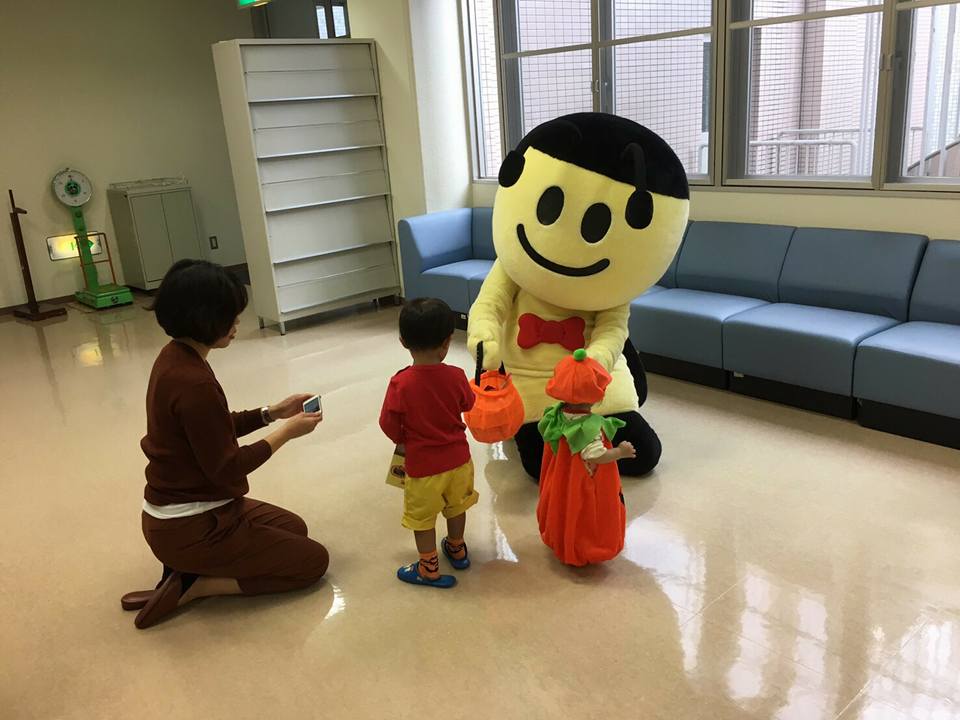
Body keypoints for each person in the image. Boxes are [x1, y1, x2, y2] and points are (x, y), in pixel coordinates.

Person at [123, 259, 329, 629]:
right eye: (230, 316)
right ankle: (197, 586)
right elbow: (227, 468)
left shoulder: (175, 357)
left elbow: (211, 428)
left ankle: (187, 569)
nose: (236, 324)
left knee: (293, 528)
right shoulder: (194, 383)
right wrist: (286, 432)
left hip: (184, 513)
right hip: (191, 526)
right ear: (204, 318)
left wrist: (271, 412)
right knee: (313, 562)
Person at [379, 298, 478, 589]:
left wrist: (402, 439)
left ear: (402, 341)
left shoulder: (400, 383)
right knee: (456, 506)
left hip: (423, 468)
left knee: (422, 519)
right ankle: (457, 548)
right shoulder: (456, 376)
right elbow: (469, 403)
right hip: (459, 461)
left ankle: (428, 568)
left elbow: (387, 423)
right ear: (447, 342)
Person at [537, 349, 635, 566]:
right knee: (583, 515)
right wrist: (620, 452)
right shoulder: (590, 428)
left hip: (562, 478)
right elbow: (597, 455)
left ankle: (560, 539)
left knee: (563, 507)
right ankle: (582, 549)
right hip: (584, 481)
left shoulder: (555, 415)